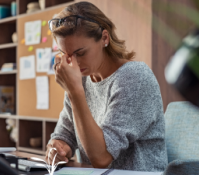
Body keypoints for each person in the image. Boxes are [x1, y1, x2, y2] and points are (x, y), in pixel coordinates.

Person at [46, 1, 168, 172]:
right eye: (65, 54)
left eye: (80, 53)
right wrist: (58, 148)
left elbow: (101, 157)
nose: (73, 62)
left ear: (104, 38)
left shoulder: (134, 77)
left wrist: (74, 92)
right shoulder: (82, 79)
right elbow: (65, 134)